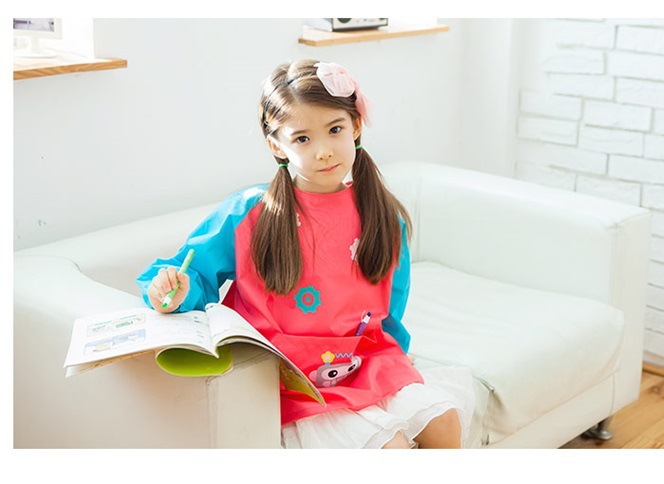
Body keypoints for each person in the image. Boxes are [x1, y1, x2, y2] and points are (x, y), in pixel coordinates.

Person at [136, 59, 474, 449]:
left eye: (335, 130)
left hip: (365, 361)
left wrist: (397, 355)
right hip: (290, 375)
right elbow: (190, 273)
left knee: (445, 422)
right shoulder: (249, 213)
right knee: (390, 447)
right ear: (276, 145)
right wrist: (173, 290)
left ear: (356, 126)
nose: (324, 151)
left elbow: (389, 309)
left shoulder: (382, 215)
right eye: (302, 139)